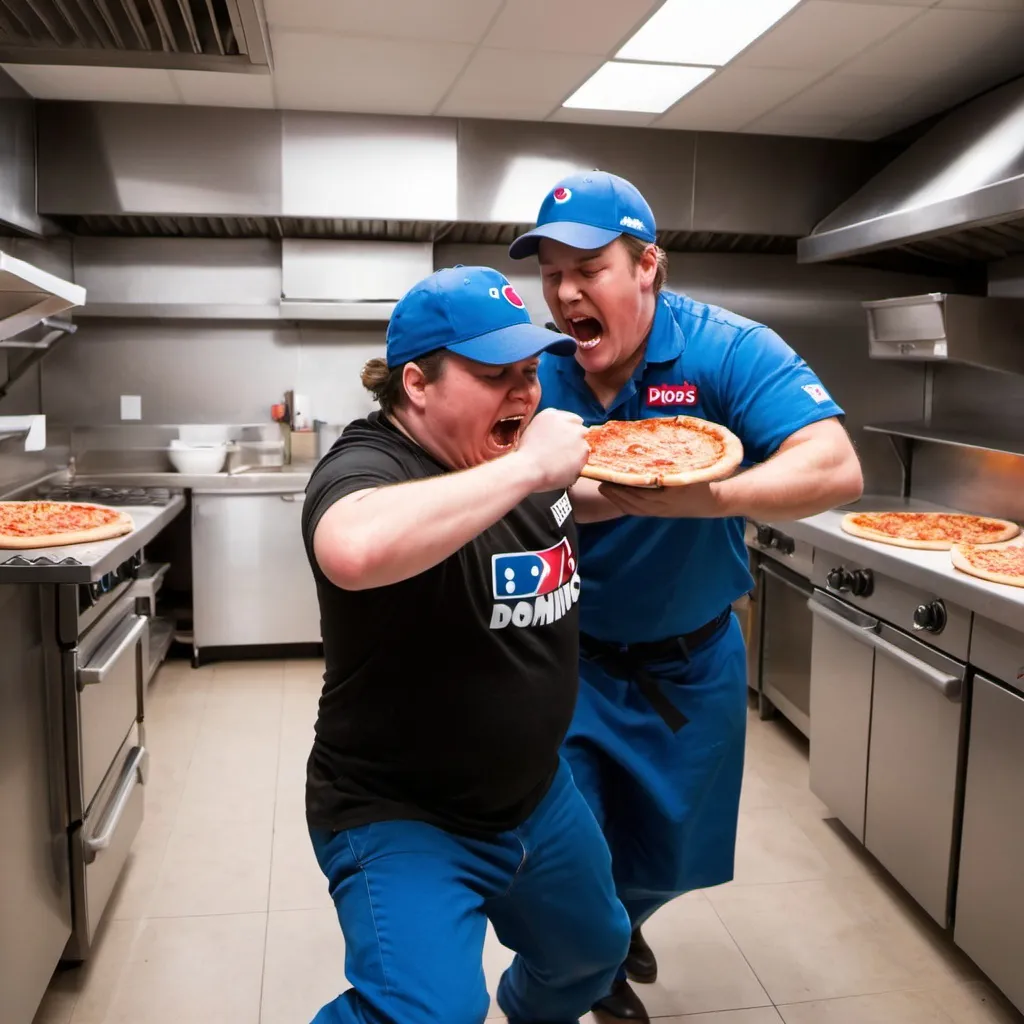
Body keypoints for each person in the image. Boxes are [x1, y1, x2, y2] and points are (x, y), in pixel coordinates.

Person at [509, 172, 864, 1022]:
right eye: (551, 272)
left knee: (669, 858)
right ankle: (582, 972)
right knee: (568, 859)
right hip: (566, 665)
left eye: (588, 268)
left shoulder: (726, 350)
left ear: (647, 269)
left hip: (692, 665)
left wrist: (702, 494)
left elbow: (835, 464)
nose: (564, 293)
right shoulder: (538, 376)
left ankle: (619, 923)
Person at [300, 264, 632, 1024]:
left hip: (535, 795)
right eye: (494, 376)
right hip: (400, 810)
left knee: (592, 953)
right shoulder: (369, 465)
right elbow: (351, 548)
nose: (524, 393)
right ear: (417, 383)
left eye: (529, 372)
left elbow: (590, 487)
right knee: (430, 1014)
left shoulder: (505, 460)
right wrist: (527, 467)